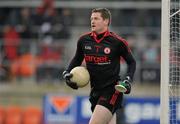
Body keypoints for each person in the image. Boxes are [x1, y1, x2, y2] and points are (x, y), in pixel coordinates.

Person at [62, 8, 136, 124]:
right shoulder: (83, 40)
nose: (92, 21)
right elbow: (77, 59)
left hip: (112, 90)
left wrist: (128, 79)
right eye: (91, 18)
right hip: (95, 91)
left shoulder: (117, 42)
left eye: (96, 18)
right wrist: (67, 73)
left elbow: (132, 62)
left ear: (106, 21)